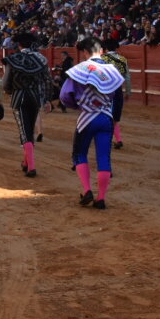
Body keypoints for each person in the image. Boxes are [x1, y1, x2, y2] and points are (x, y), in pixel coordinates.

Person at [60, 37, 125, 210]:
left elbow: (65, 95)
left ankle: (87, 190)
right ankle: (101, 198)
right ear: (101, 51)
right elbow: (117, 96)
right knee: (104, 157)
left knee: (80, 154)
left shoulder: (79, 69)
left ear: (85, 52)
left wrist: (77, 105)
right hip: (106, 117)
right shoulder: (112, 70)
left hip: (87, 118)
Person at [3, 31, 53, 178]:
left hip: (19, 97)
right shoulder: (40, 59)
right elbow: (47, 80)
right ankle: (26, 162)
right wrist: (47, 99)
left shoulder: (13, 59)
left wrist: (12, 91)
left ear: (19, 45)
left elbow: (6, 84)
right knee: (30, 130)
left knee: (24, 132)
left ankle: (31, 167)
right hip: (35, 97)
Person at [101, 40, 132, 149]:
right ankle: (118, 140)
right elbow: (127, 77)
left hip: (106, 90)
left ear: (106, 49)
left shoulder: (103, 59)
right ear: (116, 48)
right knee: (114, 117)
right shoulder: (122, 59)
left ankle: (108, 140)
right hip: (118, 90)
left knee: (105, 116)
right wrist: (128, 92)